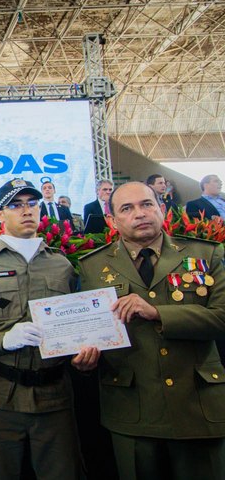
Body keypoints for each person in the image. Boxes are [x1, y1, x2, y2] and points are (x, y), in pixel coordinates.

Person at [78, 181, 225, 479]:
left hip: (196, 405)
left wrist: (156, 312)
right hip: (133, 408)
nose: (140, 213)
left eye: (147, 204)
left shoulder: (206, 254)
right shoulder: (91, 267)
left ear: (163, 209)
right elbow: (88, 329)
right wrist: (85, 356)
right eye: (127, 208)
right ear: (112, 220)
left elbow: (221, 318)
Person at [0, 179, 98, 480]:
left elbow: (80, 323)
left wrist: (84, 353)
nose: (26, 210)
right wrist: (2, 340)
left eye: (31, 203)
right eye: (15, 205)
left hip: (54, 395)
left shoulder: (62, 266)